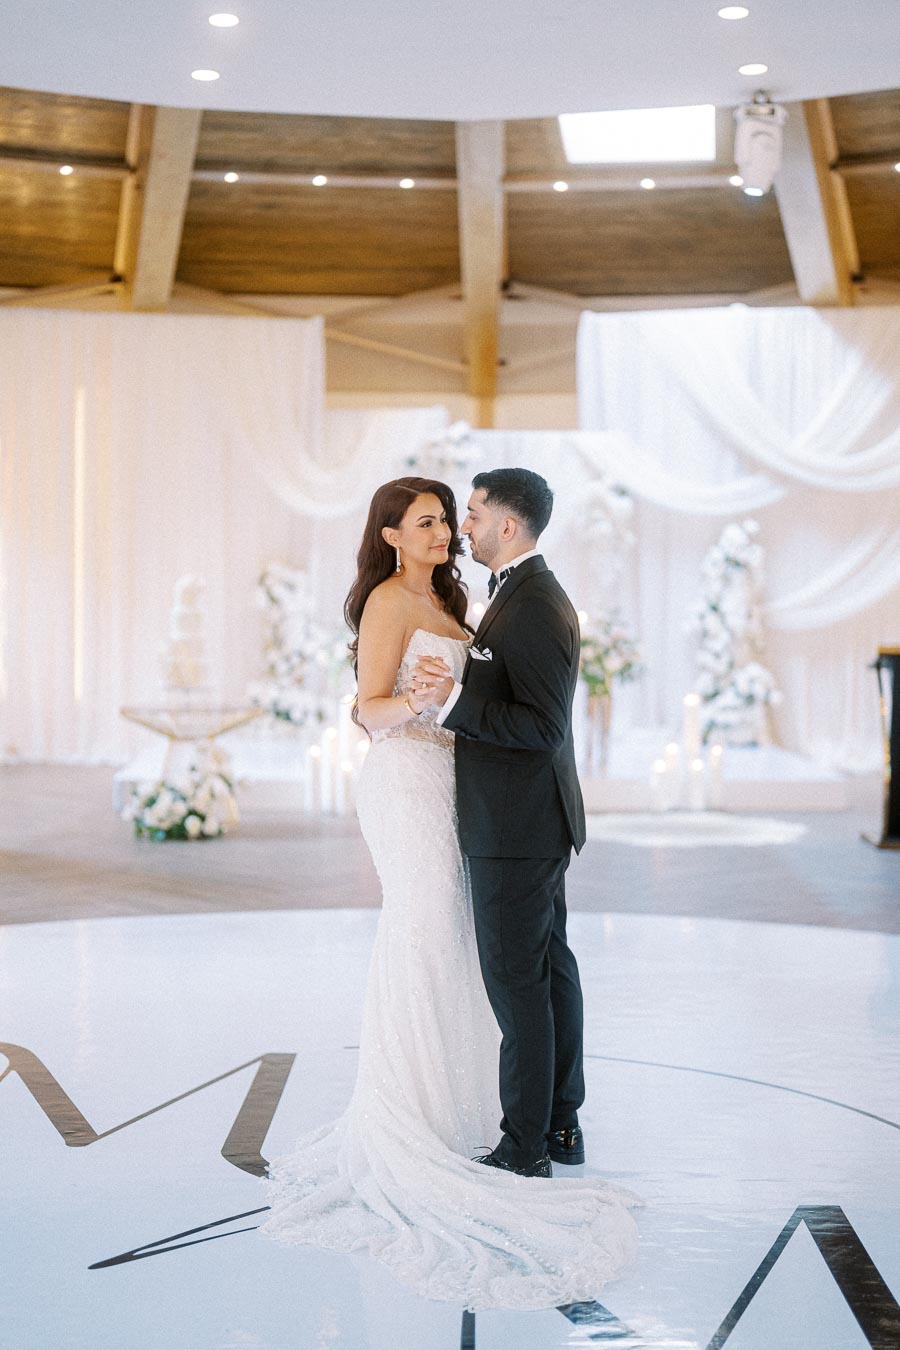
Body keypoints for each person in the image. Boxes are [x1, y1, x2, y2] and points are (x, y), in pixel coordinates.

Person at [261, 475, 637, 1310]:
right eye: (432, 520)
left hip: (485, 802)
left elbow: (518, 712)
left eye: (458, 516)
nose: (451, 530)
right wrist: (424, 705)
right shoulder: (391, 602)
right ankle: (438, 1113)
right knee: (435, 937)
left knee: (501, 961)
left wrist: (450, 701)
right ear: (391, 535)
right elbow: (368, 711)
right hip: (413, 788)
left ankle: (527, 1125)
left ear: (505, 522)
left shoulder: (483, 601)